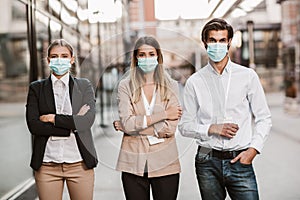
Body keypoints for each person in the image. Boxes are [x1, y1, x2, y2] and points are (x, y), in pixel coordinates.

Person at [178, 18, 272, 200]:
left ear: (229, 42)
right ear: (205, 42)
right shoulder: (195, 82)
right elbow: (184, 126)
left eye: (222, 40)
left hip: (240, 158)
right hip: (206, 158)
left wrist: (253, 149)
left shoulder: (247, 76)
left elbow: (263, 117)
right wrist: (211, 128)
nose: (217, 45)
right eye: (212, 40)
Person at [26, 39, 98, 200]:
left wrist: (53, 119)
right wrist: (72, 124)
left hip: (80, 164)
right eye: (54, 56)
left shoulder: (84, 85)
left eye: (64, 56)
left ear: (72, 59)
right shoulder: (36, 88)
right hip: (46, 166)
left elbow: (87, 121)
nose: (59, 60)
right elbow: (34, 126)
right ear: (48, 60)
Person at [113, 36, 182, 200]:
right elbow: (128, 124)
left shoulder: (171, 85)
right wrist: (164, 114)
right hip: (133, 163)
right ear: (136, 58)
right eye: (142, 54)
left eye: (151, 54)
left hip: (166, 163)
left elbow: (169, 129)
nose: (146, 58)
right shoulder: (125, 86)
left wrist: (132, 127)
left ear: (158, 56)